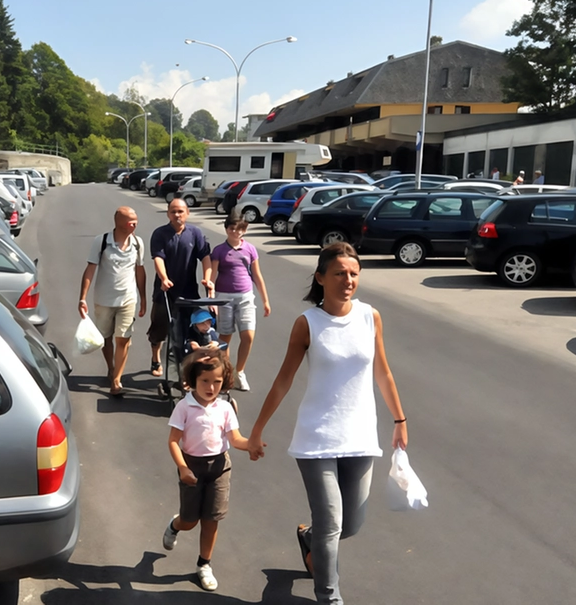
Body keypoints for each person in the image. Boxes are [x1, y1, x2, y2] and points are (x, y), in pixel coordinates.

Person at [247, 242, 406, 605]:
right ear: (320, 278)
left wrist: (400, 419)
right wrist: (257, 431)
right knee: (333, 523)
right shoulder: (308, 323)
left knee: (349, 526)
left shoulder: (370, 316)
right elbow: (283, 379)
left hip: (360, 436)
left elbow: (382, 371)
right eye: (339, 273)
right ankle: (329, 597)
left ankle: (309, 538)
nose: (347, 280)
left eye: (353, 273)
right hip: (317, 438)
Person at [162, 349, 251, 592]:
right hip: (191, 466)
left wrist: (250, 445)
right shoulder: (184, 407)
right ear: (193, 380)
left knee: (211, 519)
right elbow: (173, 440)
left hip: (220, 467)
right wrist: (182, 467)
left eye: (217, 382)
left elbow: (235, 438)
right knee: (190, 520)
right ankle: (175, 525)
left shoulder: (225, 407)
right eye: (205, 381)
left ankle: (204, 564)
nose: (211, 387)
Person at [78, 206, 147, 397]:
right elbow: (90, 269)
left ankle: (117, 379)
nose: (134, 223)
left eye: (136, 220)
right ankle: (111, 367)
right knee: (105, 338)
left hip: (128, 299)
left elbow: (140, 271)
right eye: (130, 220)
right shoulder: (101, 242)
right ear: (119, 222)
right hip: (104, 300)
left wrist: (143, 298)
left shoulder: (138, 243)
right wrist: (82, 297)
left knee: (123, 339)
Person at [149, 198, 213, 376]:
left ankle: (186, 367)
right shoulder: (160, 234)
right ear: (168, 213)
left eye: (180, 211)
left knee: (189, 330)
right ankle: (155, 360)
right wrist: (164, 278)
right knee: (159, 329)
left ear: (187, 213)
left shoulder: (195, 233)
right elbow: (158, 258)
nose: (177, 215)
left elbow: (205, 256)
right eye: (173, 211)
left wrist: (207, 279)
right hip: (165, 291)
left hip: (188, 293)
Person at [210, 212, 271, 391]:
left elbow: (257, 276)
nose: (235, 232)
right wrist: (211, 299)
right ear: (226, 229)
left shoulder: (250, 249)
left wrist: (265, 301)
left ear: (245, 230)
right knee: (225, 338)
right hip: (224, 297)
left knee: (248, 336)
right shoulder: (219, 250)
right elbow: (212, 276)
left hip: (245, 296)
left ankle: (240, 371)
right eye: (232, 228)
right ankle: (227, 374)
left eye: (239, 229)